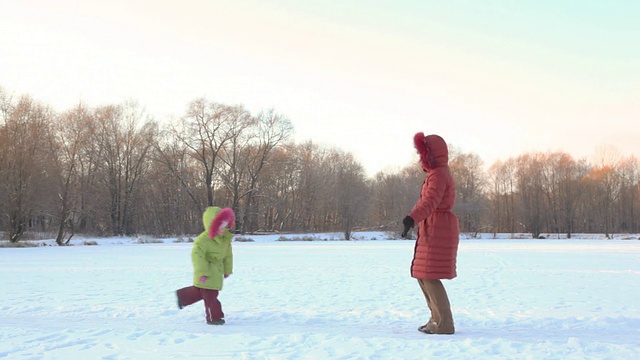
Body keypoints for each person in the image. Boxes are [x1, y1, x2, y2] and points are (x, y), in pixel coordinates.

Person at [401, 133, 460, 335]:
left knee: (429, 275)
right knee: (422, 274)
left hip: (438, 228)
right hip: (432, 226)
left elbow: (430, 202)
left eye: (423, 153)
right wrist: (413, 218)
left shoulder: (439, 175)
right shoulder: (435, 174)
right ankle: (436, 319)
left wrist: (412, 218)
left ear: (431, 154)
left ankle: (444, 323)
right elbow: (424, 202)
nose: (420, 157)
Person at [176, 206, 235, 325]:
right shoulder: (203, 240)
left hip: (216, 272)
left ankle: (183, 297)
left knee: (200, 292)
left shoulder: (225, 240)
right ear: (212, 225)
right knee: (211, 297)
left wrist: (227, 270)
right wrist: (202, 272)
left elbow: (228, 256)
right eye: (221, 226)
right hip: (206, 273)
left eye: (225, 226)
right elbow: (197, 256)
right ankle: (214, 317)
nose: (223, 229)